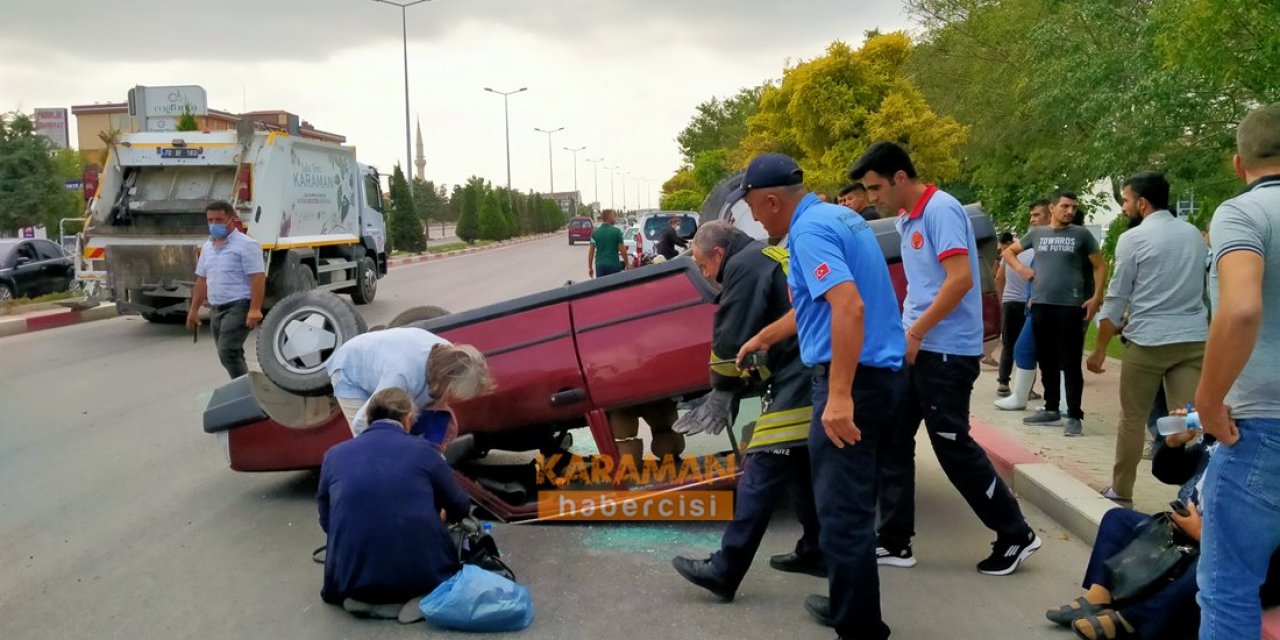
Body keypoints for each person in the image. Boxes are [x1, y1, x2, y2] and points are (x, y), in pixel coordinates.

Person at [734, 152, 907, 640]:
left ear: (772, 201)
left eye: (753, 208)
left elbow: (848, 308)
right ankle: (850, 605)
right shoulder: (840, 217)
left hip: (855, 381)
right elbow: (820, 302)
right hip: (882, 378)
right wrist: (765, 336)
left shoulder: (808, 233)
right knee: (852, 502)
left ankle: (859, 625)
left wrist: (839, 395)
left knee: (842, 511)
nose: (755, 220)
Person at [851, 141, 1040, 576]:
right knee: (893, 440)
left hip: (947, 352)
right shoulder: (907, 219)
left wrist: (916, 332)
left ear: (900, 177)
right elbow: (923, 286)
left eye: (876, 188)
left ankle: (1016, 534)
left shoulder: (941, 210)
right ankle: (894, 541)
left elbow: (958, 281)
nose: (872, 198)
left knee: (953, 447)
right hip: (918, 348)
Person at [672, 221, 822, 600]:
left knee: (763, 466)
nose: (706, 275)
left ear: (719, 253)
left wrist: (721, 391)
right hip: (809, 369)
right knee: (800, 464)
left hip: (800, 377)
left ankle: (725, 570)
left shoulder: (742, 265)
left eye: (703, 265)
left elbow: (731, 335)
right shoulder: (762, 256)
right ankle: (817, 549)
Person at [1194, 103, 1280, 640]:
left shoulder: (1244, 213)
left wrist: (1208, 399)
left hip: (1263, 427)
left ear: (1238, 163)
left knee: (1229, 587)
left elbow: (1242, 308)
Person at [1086, 171, 1208, 504]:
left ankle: (1121, 490)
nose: (1124, 207)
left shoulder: (1133, 239)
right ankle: (1193, 492)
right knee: (1188, 418)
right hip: (1191, 340)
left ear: (1142, 203)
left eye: (1125, 200)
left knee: (1132, 419)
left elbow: (1117, 298)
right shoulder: (1194, 235)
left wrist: (1099, 349)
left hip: (1148, 343)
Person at [317, 387, 472, 621]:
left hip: (348, 579)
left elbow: (326, 520)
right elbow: (460, 505)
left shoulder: (334, 455)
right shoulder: (424, 451)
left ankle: (367, 595)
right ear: (408, 419)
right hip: (423, 575)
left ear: (368, 419)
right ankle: (415, 592)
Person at [1003, 190, 1107, 436]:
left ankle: (1074, 415)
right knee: (1046, 358)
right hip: (1041, 304)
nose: (1070, 211)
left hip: (1070, 306)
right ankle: (1051, 408)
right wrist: (1021, 269)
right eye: (1065, 206)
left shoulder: (1081, 235)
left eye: (1073, 207)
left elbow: (1101, 265)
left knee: (1070, 362)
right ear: (1052, 208)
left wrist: (1096, 296)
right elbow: (1008, 252)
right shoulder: (1038, 233)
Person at [324, 327, 493, 437]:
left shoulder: (453, 356)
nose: (452, 397)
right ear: (446, 378)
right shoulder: (402, 376)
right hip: (350, 368)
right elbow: (360, 423)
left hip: (386, 359)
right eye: (453, 391)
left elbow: (434, 402)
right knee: (372, 439)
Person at [187, 200, 265, 379]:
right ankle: (248, 386)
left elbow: (258, 277)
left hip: (239, 306)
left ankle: (246, 390)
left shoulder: (247, 245)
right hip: (216, 309)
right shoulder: (207, 247)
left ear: (231, 219)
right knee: (231, 354)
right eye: (210, 220)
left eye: (219, 220)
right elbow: (202, 280)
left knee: (227, 352)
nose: (214, 224)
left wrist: (255, 309)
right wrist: (194, 309)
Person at [996, 200, 1050, 399]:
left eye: (1036, 215)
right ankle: (1027, 389)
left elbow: (999, 277)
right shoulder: (1037, 248)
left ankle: (1004, 382)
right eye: (1031, 216)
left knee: (1010, 344)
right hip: (1027, 303)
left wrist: (1002, 299)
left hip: (1011, 301)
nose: (1032, 219)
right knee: (1029, 345)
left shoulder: (1016, 249)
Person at [588, 209, 627, 278]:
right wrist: (627, 263)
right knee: (614, 284)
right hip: (613, 264)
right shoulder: (617, 232)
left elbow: (591, 252)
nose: (615, 218)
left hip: (599, 265)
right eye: (614, 216)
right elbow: (622, 250)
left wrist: (590, 267)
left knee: (602, 284)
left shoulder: (595, 233)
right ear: (609, 217)